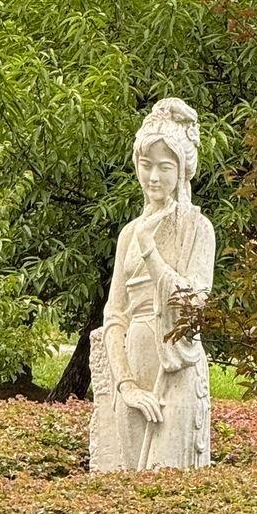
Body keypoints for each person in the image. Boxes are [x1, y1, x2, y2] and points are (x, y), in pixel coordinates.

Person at [93, 97, 214, 471]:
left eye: (165, 167)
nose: (154, 177)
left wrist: (151, 253)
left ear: (181, 172)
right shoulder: (129, 233)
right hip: (133, 368)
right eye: (146, 166)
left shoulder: (198, 229)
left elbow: (194, 302)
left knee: (170, 480)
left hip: (178, 364)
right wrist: (126, 384)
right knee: (131, 488)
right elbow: (114, 316)